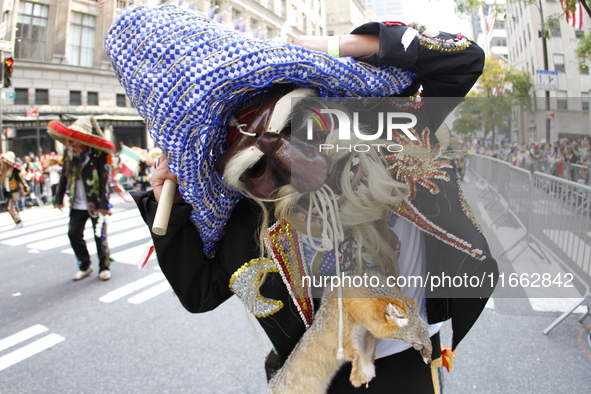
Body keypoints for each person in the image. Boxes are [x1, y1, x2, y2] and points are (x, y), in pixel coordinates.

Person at [106, 5, 497, 393]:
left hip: (405, 368)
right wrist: (169, 207)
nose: (295, 167)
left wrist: (335, 45)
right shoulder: (254, 221)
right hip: (316, 378)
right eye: (257, 167)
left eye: (295, 129)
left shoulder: (388, 136)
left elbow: (463, 60)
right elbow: (199, 292)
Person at [48, 116, 115, 281]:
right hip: (76, 204)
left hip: (95, 203)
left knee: (100, 236)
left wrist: (104, 204)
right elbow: (64, 176)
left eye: (72, 141)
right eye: (68, 142)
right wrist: (58, 197)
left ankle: (104, 267)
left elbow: (105, 179)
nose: (69, 145)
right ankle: (85, 265)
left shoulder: (99, 155)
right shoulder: (69, 155)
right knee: (73, 233)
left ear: (81, 140)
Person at [1, 151, 29, 229]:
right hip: (8, 191)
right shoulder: (4, 170)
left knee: (10, 207)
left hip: (14, 190)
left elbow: (21, 179)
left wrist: (25, 187)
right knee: (13, 207)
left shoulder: (15, 169)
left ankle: (18, 221)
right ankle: (18, 220)